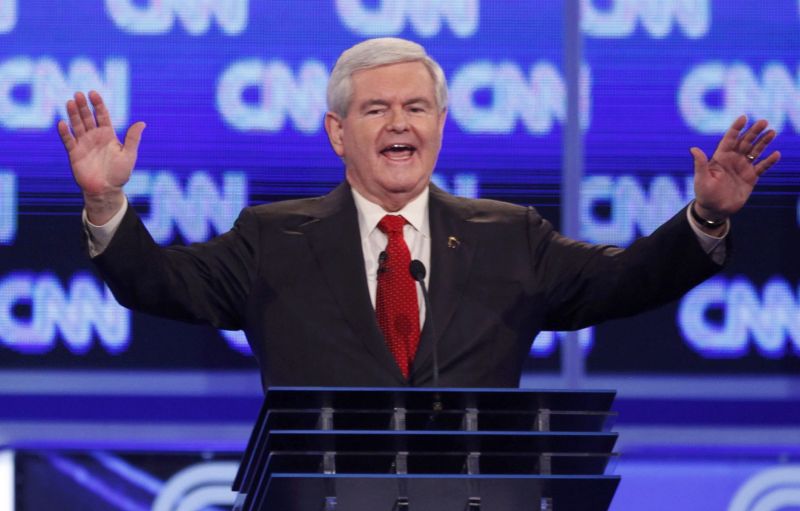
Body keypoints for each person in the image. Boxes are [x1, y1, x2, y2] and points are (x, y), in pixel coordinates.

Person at [57, 38, 780, 389]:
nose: (399, 123)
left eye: (416, 107)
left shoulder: (510, 237)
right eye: (376, 109)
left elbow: (625, 283)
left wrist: (705, 219)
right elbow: (158, 283)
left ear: (439, 123)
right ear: (339, 132)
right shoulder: (273, 239)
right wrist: (105, 201)